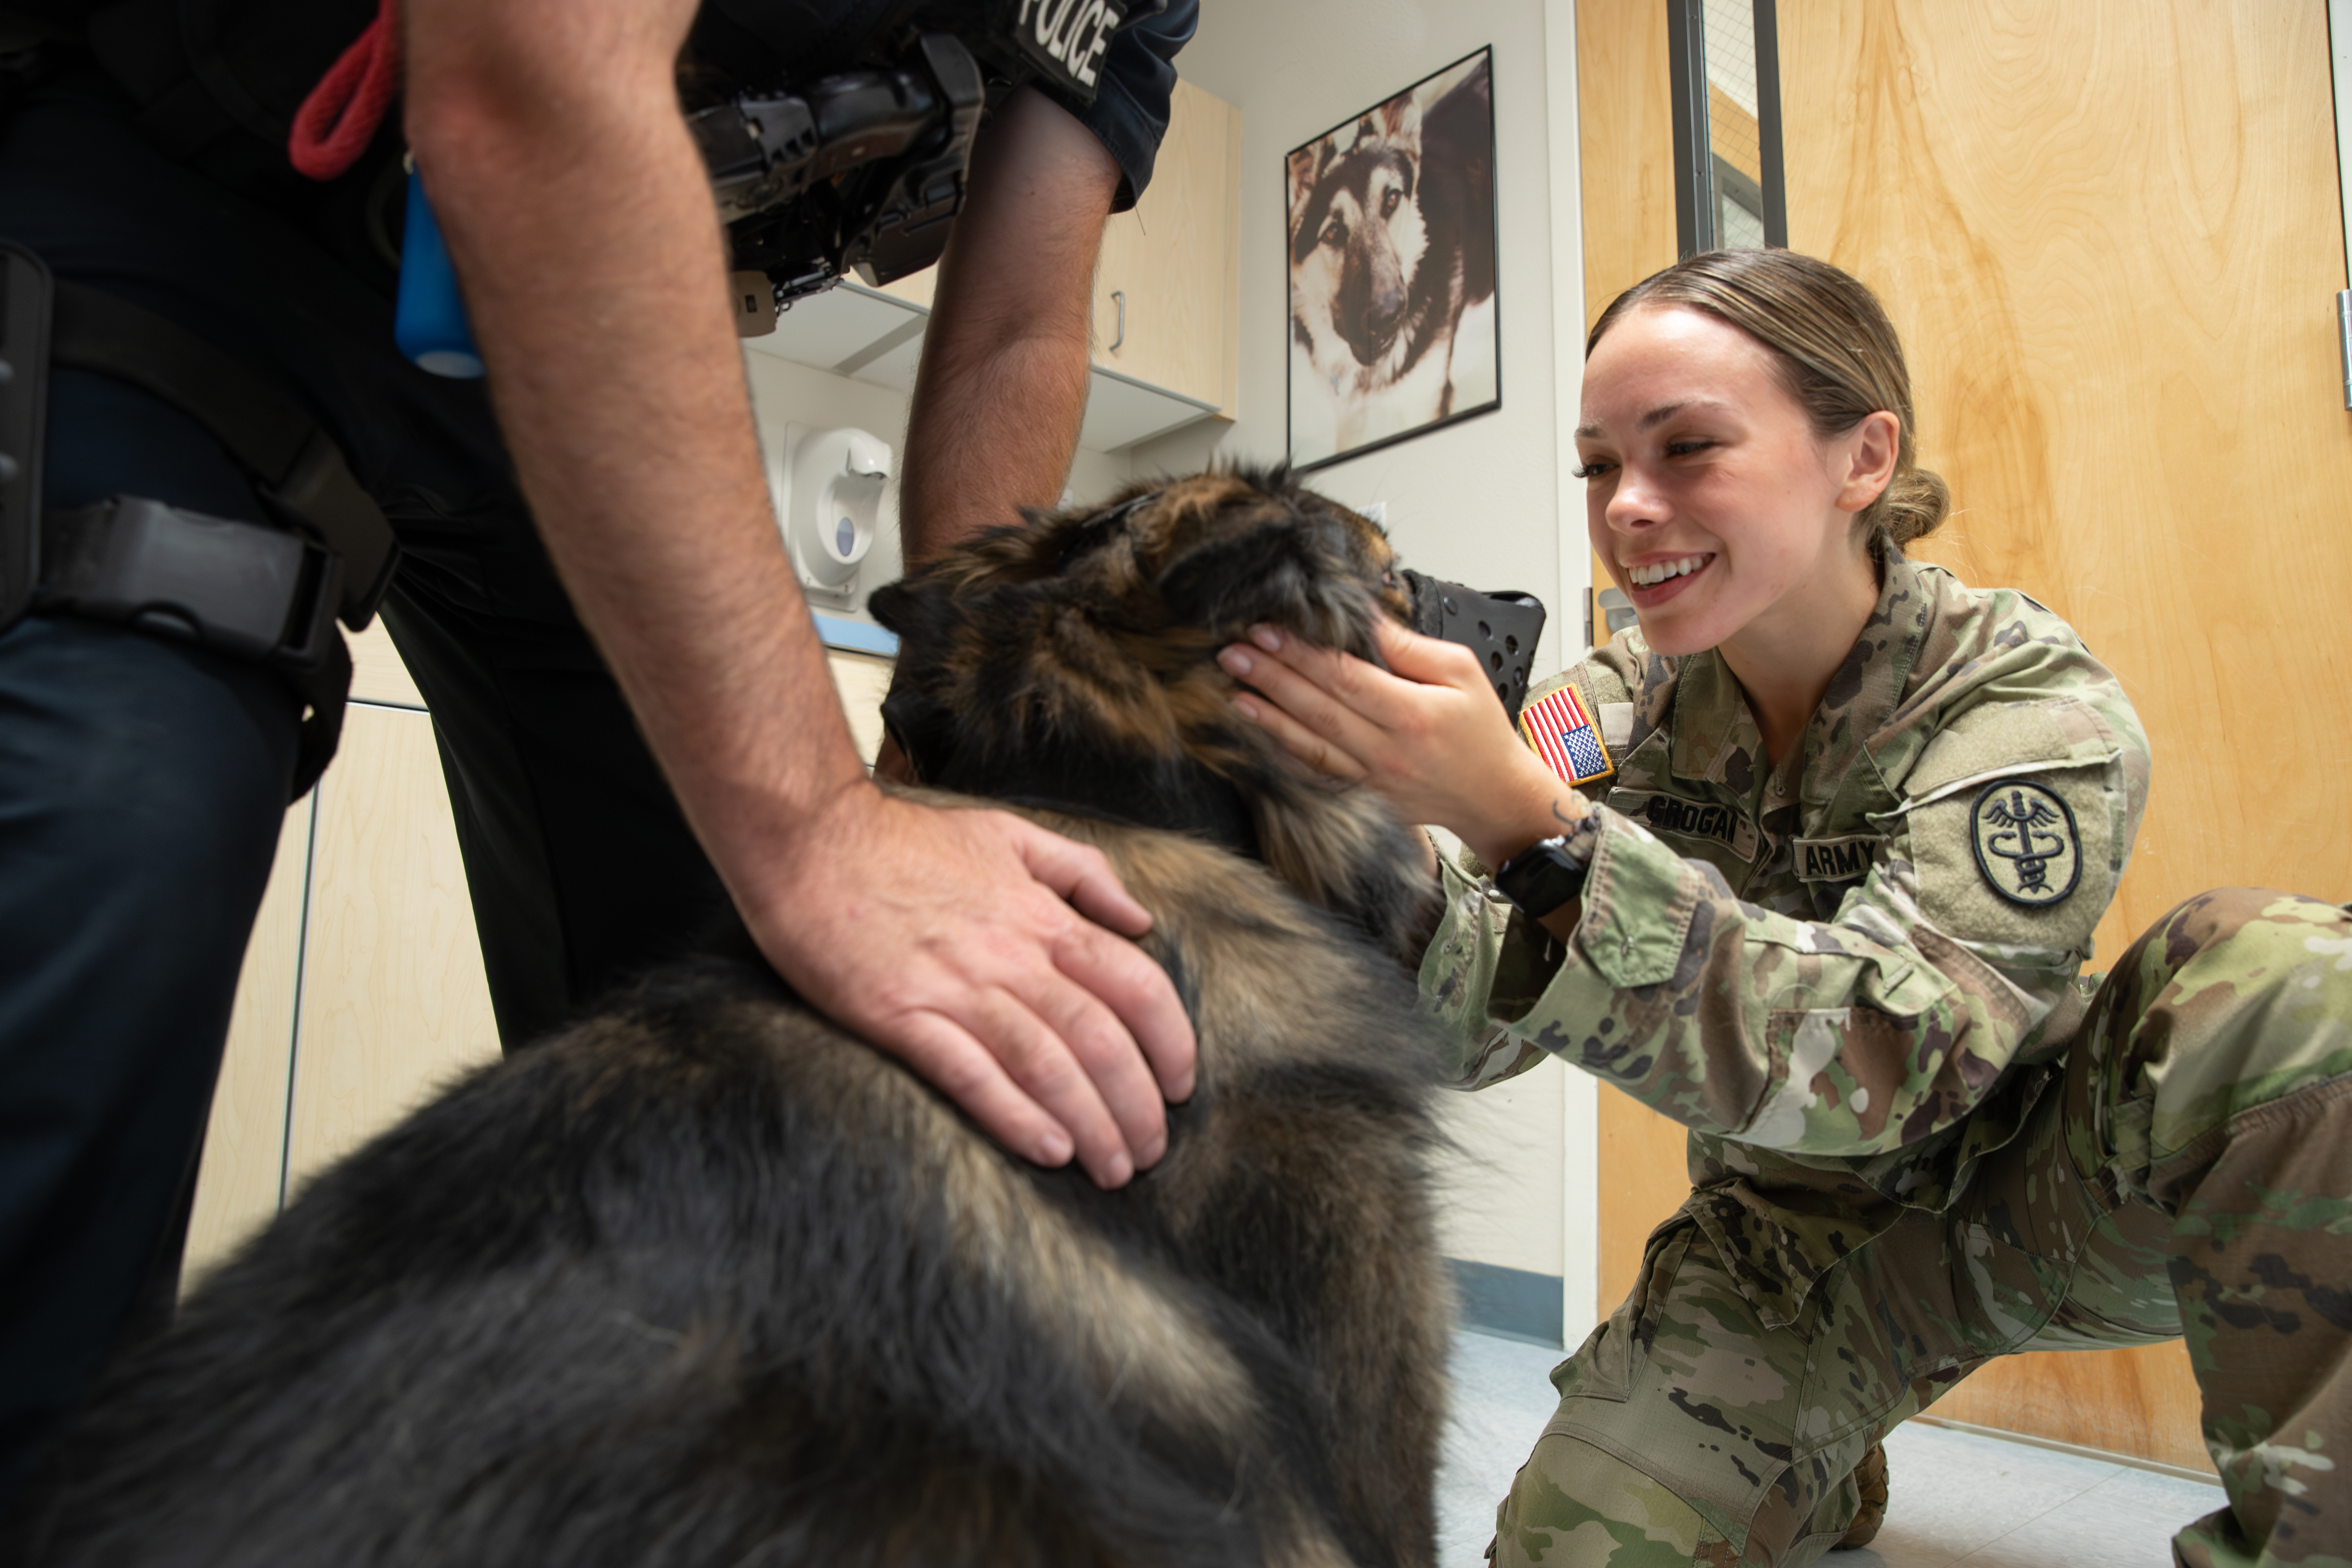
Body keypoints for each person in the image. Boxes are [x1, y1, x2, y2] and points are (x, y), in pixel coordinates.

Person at [0, 0, 1200, 1506]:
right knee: (121, 829)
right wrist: (819, 828)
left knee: (751, 1020)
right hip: (191, 181)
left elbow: (1020, 323)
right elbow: (529, 67)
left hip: (532, 321)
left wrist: (948, 738)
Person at [1219, 249, 2352, 1568]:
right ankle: (1809, 1450)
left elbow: (1899, 1063)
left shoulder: (2024, 700)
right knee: (1576, 1551)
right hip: (1789, 1248)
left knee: (2291, 982)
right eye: (1595, 466)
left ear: (1862, 458)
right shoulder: (1609, 711)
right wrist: (1346, 846)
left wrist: (1539, 834)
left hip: (2054, 1194)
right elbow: (1465, 1031)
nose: (1629, 507)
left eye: (1687, 447)